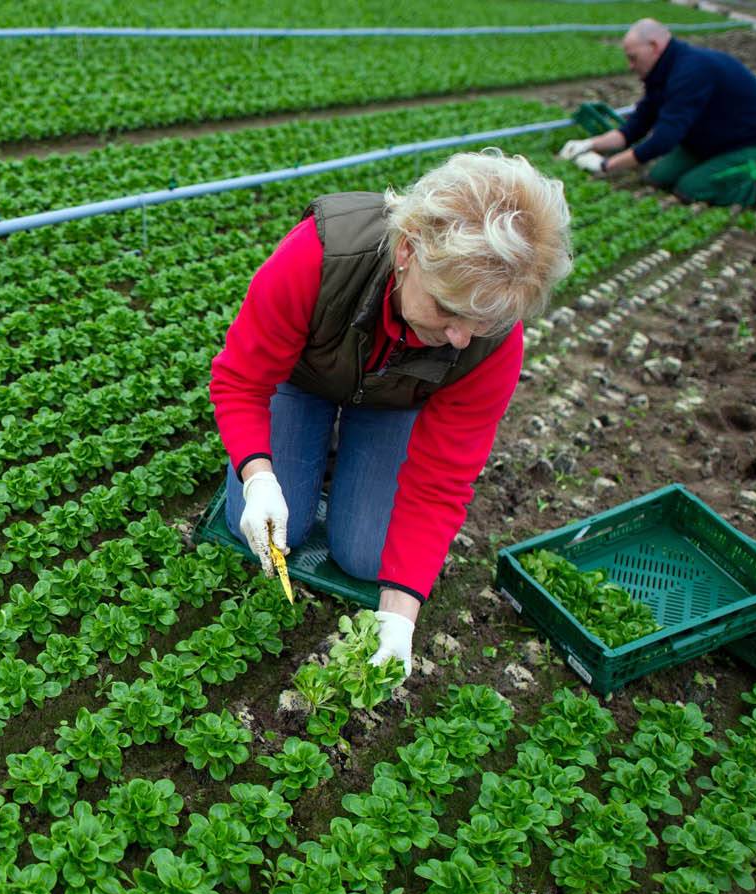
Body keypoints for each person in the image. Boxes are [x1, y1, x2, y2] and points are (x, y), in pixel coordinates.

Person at [209, 149, 572, 677]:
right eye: (449, 309)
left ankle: (345, 449)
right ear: (407, 251)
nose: (460, 337)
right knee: (270, 524)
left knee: (367, 556)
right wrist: (258, 476)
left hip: (394, 401)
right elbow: (240, 382)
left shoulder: (490, 341)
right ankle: (306, 451)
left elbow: (442, 479)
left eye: (483, 321)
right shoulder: (321, 256)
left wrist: (400, 616)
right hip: (303, 381)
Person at [559, 18, 756, 207]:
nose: (630, 66)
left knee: (690, 188)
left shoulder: (691, 72)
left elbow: (664, 139)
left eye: (633, 58)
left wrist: (606, 166)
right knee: (659, 177)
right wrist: (589, 144)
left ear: (654, 47)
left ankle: (755, 187)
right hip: (712, 139)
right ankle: (714, 164)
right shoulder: (661, 74)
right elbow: (635, 127)